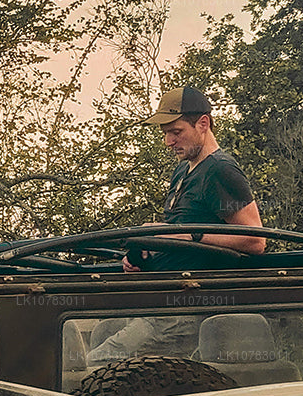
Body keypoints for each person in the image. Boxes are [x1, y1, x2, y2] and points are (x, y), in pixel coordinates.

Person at [88, 86, 266, 366]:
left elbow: (255, 240)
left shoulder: (220, 170)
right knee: (99, 332)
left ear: (203, 124)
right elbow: (180, 230)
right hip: (161, 294)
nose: (168, 142)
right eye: (165, 134)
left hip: (188, 306)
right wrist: (148, 249)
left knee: (97, 361)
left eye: (176, 132)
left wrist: (188, 234)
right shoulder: (183, 170)